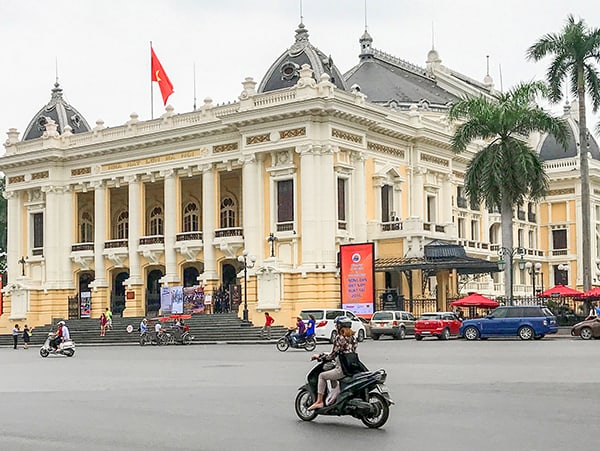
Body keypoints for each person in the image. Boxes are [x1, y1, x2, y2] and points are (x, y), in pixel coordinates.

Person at [308, 316, 358, 411]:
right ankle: (334, 397)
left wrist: (319, 356)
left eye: (336, 325)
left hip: (342, 369)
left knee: (322, 376)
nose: (335, 326)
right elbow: (345, 352)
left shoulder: (339, 338)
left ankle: (319, 401)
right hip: (352, 367)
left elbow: (332, 355)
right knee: (331, 373)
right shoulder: (353, 338)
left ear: (340, 326)